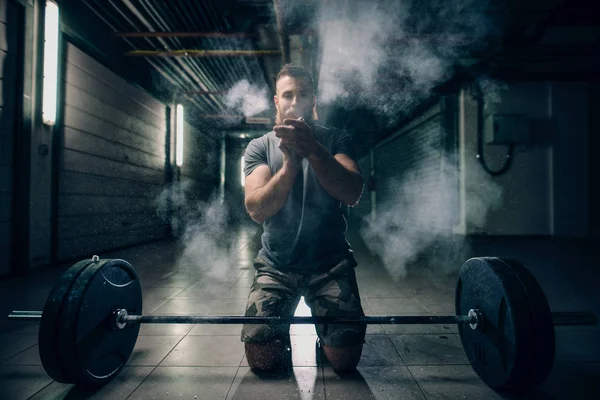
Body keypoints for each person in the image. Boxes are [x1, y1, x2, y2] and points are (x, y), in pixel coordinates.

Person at [241, 64, 366, 375]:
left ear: (314, 101)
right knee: (261, 359)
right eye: (288, 95)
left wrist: (313, 151)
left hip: (330, 264)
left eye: (303, 94)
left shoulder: (336, 139)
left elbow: (352, 192)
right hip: (277, 265)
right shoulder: (259, 147)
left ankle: (327, 342)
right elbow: (257, 209)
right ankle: (278, 335)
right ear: (276, 102)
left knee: (344, 362)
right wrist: (289, 166)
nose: (295, 101)